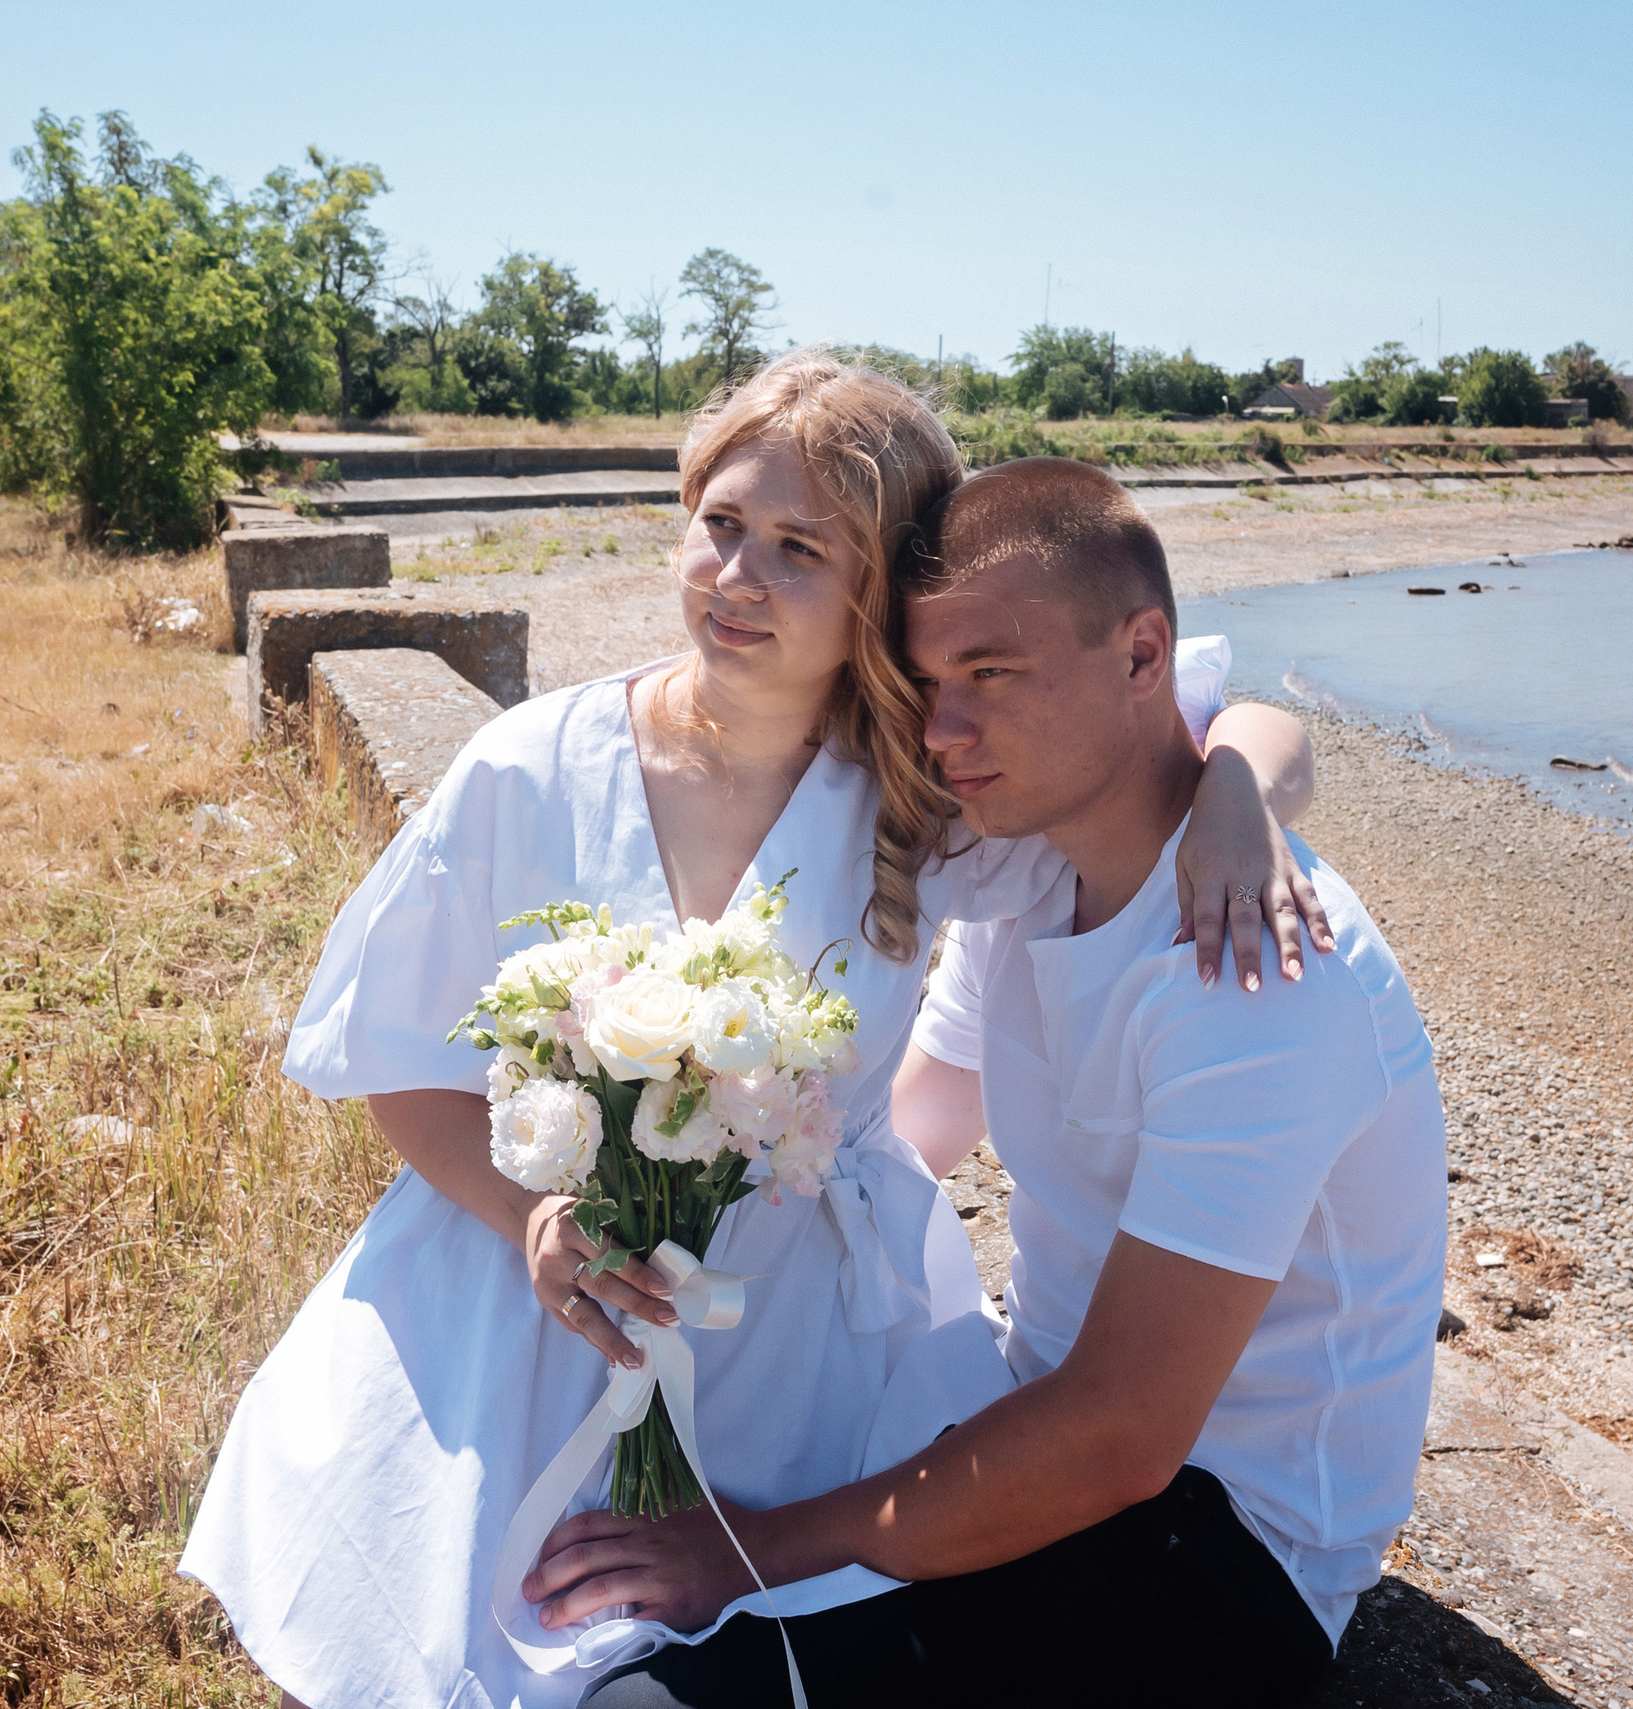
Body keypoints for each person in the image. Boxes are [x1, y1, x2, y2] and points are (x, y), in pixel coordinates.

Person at [180, 356, 1333, 1709]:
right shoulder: (529, 768)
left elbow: (1215, 720)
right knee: (498, 1635)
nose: (737, 576)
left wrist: (1237, 794)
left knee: (775, 1643)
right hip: (538, 1296)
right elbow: (397, 1063)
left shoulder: (924, 799)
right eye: (722, 524)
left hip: (813, 1343)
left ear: (880, 601)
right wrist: (535, 1218)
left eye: (800, 551)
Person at [534, 457, 1447, 1709]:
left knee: (656, 1695)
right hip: (1032, 1420)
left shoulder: (1255, 967)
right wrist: (663, 1230)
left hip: (1221, 1538)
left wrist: (747, 1544)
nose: (941, 732)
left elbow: (1123, 1433)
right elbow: (914, 1126)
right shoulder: (1026, 886)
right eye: (924, 683)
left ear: (1143, 657)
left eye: (992, 676)